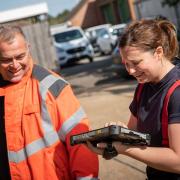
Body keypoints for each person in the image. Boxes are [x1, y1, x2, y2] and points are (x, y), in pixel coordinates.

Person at [0, 25, 99, 180]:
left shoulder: (52, 87)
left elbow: (80, 140)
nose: (15, 65)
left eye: (20, 57)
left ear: (28, 49)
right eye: (6, 60)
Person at [86, 19, 180, 179]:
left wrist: (125, 148)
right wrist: (115, 140)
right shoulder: (144, 86)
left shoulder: (176, 92)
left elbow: (178, 161)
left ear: (158, 52)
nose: (130, 70)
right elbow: (135, 136)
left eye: (135, 63)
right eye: (126, 63)